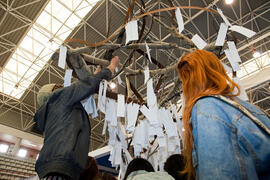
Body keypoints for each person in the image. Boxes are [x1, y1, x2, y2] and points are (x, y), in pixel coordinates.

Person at [176, 49, 270, 180]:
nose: (183, 88)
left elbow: (219, 172)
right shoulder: (251, 109)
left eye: (185, 80)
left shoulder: (207, 107)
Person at [34, 53, 119, 180]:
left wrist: (94, 77)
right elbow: (86, 85)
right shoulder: (60, 97)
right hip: (62, 168)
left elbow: (84, 91)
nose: (64, 87)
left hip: (53, 170)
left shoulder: (53, 114)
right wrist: (111, 68)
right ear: (55, 90)